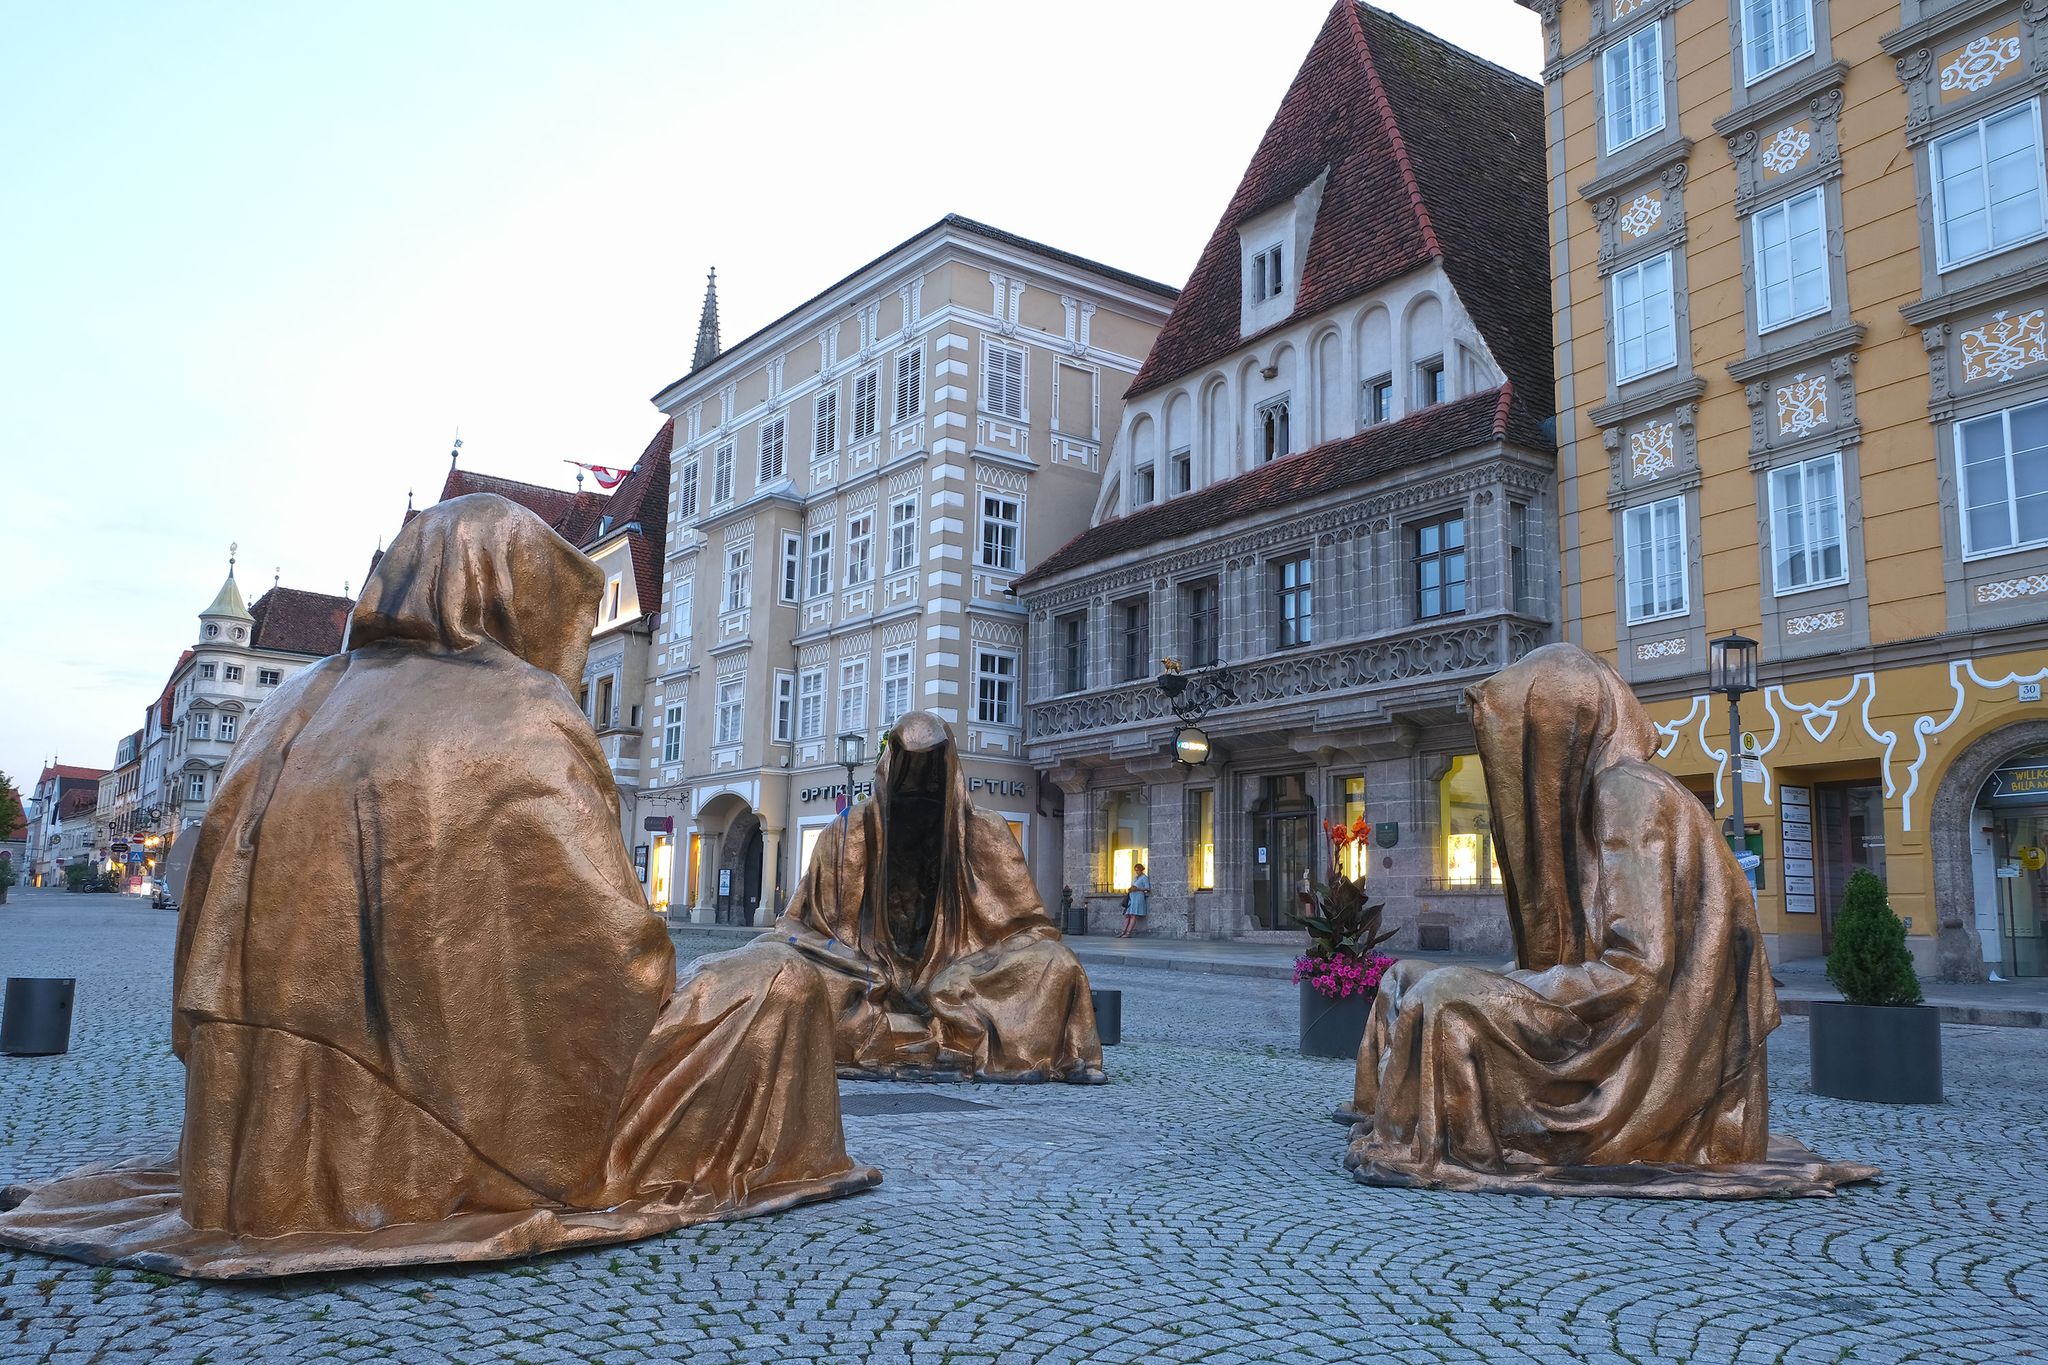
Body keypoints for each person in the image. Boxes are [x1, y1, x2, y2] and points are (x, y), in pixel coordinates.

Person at [0, 495, 878, 1277]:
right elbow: (614, 958)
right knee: (786, 982)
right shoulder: (523, 711)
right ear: (512, 596)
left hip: (254, 1125)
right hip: (471, 1119)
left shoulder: (295, 700)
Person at [1340, 643, 1876, 1199]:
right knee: (1401, 976)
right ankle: (1389, 1117)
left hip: (1641, 1039)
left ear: (1557, 726)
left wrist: (1517, 987)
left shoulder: (1629, 793)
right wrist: (1521, 980)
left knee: (1442, 995)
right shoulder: (1610, 793)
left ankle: (1441, 1139)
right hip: (1610, 1004)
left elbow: (1636, 972)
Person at [761, 710, 1105, 1083]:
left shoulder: (985, 831)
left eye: (932, 767)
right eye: (909, 765)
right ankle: (924, 1031)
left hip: (958, 969)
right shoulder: (846, 833)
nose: (920, 781)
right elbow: (793, 926)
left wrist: (968, 970)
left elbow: (1035, 931)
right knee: (783, 969)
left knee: (1058, 961)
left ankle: (938, 1027)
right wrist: (849, 960)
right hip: (869, 972)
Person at [1119, 863, 1150, 938]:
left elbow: (1147, 888)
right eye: (1135, 870)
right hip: (1132, 897)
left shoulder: (1144, 878)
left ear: (1141, 870)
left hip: (1138, 897)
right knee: (1127, 915)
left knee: (1133, 915)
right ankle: (1123, 931)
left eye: (1138, 870)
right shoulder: (1135, 878)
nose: (1137, 872)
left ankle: (1128, 933)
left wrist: (1138, 889)